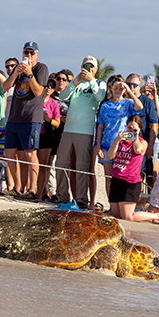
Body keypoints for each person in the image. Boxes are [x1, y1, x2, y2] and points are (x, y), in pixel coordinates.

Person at [1, 42, 50, 201]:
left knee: (30, 153)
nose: (28, 55)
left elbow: (38, 92)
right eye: (26, 52)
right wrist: (15, 73)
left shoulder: (41, 68)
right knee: (9, 152)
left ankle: (31, 189)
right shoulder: (18, 68)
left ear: (37, 54)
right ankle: (17, 187)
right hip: (14, 117)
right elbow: (4, 87)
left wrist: (29, 74)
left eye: (31, 52)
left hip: (31, 117)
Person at [56, 56, 106, 209]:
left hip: (85, 132)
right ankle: (62, 197)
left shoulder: (99, 83)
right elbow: (63, 96)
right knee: (60, 163)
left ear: (95, 69)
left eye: (91, 66)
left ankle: (82, 200)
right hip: (68, 129)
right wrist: (74, 82)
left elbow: (100, 97)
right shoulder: (76, 83)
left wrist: (91, 80)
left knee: (82, 167)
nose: (88, 68)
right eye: (86, 65)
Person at [108, 114, 159, 225]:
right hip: (117, 179)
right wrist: (117, 139)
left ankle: (156, 215)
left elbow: (138, 150)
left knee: (128, 217)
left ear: (140, 129)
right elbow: (110, 155)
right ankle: (150, 217)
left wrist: (135, 136)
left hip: (130, 182)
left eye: (134, 128)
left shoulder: (143, 142)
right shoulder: (120, 142)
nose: (131, 130)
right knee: (116, 215)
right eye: (129, 128)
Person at [95, 75, 143, 205]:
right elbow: (100, 127)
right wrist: (98, 146)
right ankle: (111, 205)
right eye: (115, 87)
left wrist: (128, 90)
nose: (117, 90)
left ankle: (122, 204)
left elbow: (140, 106)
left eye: (120, 87)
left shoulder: (128, 103)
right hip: (106, 144)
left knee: (121, 177)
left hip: (124, 146)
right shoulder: (105, 105)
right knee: (109, 178)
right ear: (111, 89)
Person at [127, 73, 159, 189]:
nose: (131, 87)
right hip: (128, 144)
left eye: (134, 85)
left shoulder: (147, 102)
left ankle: (147, 204)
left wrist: (150, 147)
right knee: (134, 176)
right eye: (129, 84)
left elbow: (154, 126)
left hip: (144, 142)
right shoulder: (124, 101)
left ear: (140, 86)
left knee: (149, 177)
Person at [37, 79, 61, 202]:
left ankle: (40, 194)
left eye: (51, 86)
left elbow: (57, 123)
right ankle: (31, 190)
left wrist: (48, 119)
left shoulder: (54, 103)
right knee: (32, 164)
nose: (48, 88)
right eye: (46, 86)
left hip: (47, 134)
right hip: (33, 133)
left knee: (44, 166)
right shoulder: (35, 100)